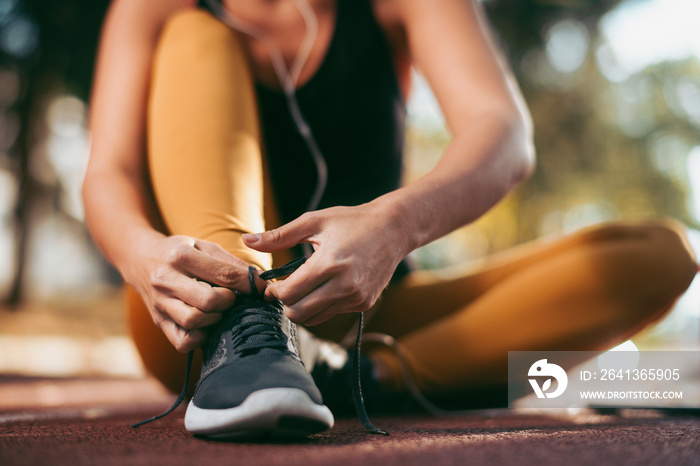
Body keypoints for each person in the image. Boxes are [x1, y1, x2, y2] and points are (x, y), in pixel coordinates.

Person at [83, 0, 698, 438]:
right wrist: (142, 257)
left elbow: (502, 134)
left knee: (658, 254)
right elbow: (108, 173)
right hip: (194, 320)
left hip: (365, 320)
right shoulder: (156, 7)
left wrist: (396, 224)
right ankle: (251, 344)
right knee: (197, 34)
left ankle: (368, 381)